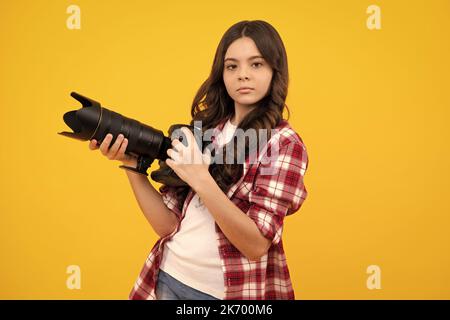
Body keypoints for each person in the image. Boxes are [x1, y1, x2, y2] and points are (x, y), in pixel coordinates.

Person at [89, 20, 309, 300]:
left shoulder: (283, 143)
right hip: (167, 276)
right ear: (222, 73)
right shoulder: (207, 130)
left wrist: (201, 179)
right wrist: (133, 166)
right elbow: (167, 225)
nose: (243, 75)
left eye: (256, 64)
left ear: (275, 71)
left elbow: (255, 245)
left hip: (226, 294)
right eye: (232, 66)